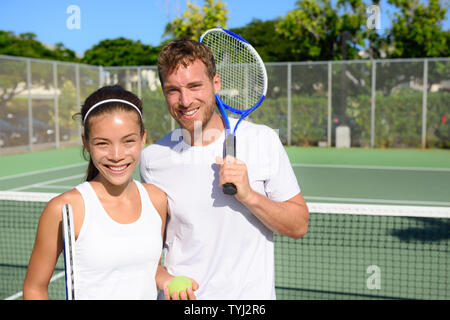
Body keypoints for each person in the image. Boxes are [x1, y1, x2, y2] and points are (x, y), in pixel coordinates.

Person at [140, 39, 309, 300]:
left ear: (215, 83)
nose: (185, 100)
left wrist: (249, 195)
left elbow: (298, 225)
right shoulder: (152, 159)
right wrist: (166, 280)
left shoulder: (263, 140)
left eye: (195, 86)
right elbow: (147, 249)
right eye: (173, 90)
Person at [23, 85, 195, 299]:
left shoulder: (156, 199)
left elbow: (149, 268)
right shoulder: (64, 208)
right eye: (102, 143)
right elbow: (34, 288)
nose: (116, 155)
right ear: (86, 143)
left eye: (128, 141)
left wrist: (166, 279)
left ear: (143, 138)